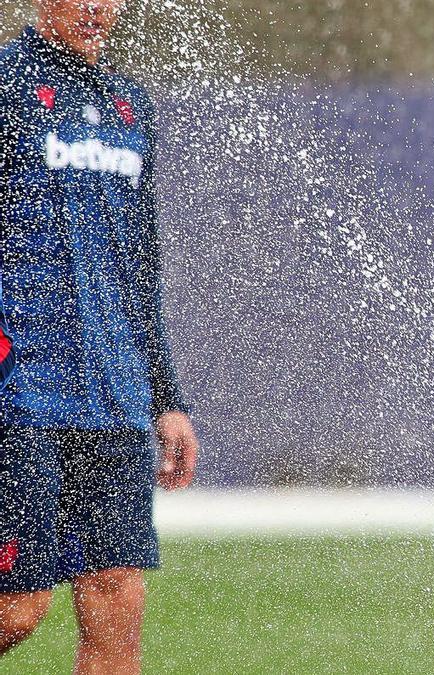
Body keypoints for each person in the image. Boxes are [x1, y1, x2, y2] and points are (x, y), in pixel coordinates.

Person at [0, 1, 199, 672]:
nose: (96, 6)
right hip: (20, 394)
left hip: (113, 398)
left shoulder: (129, 106)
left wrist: (165, 396)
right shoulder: (7, 86)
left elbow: (141, 263)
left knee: (116, 606)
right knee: (18, 608)